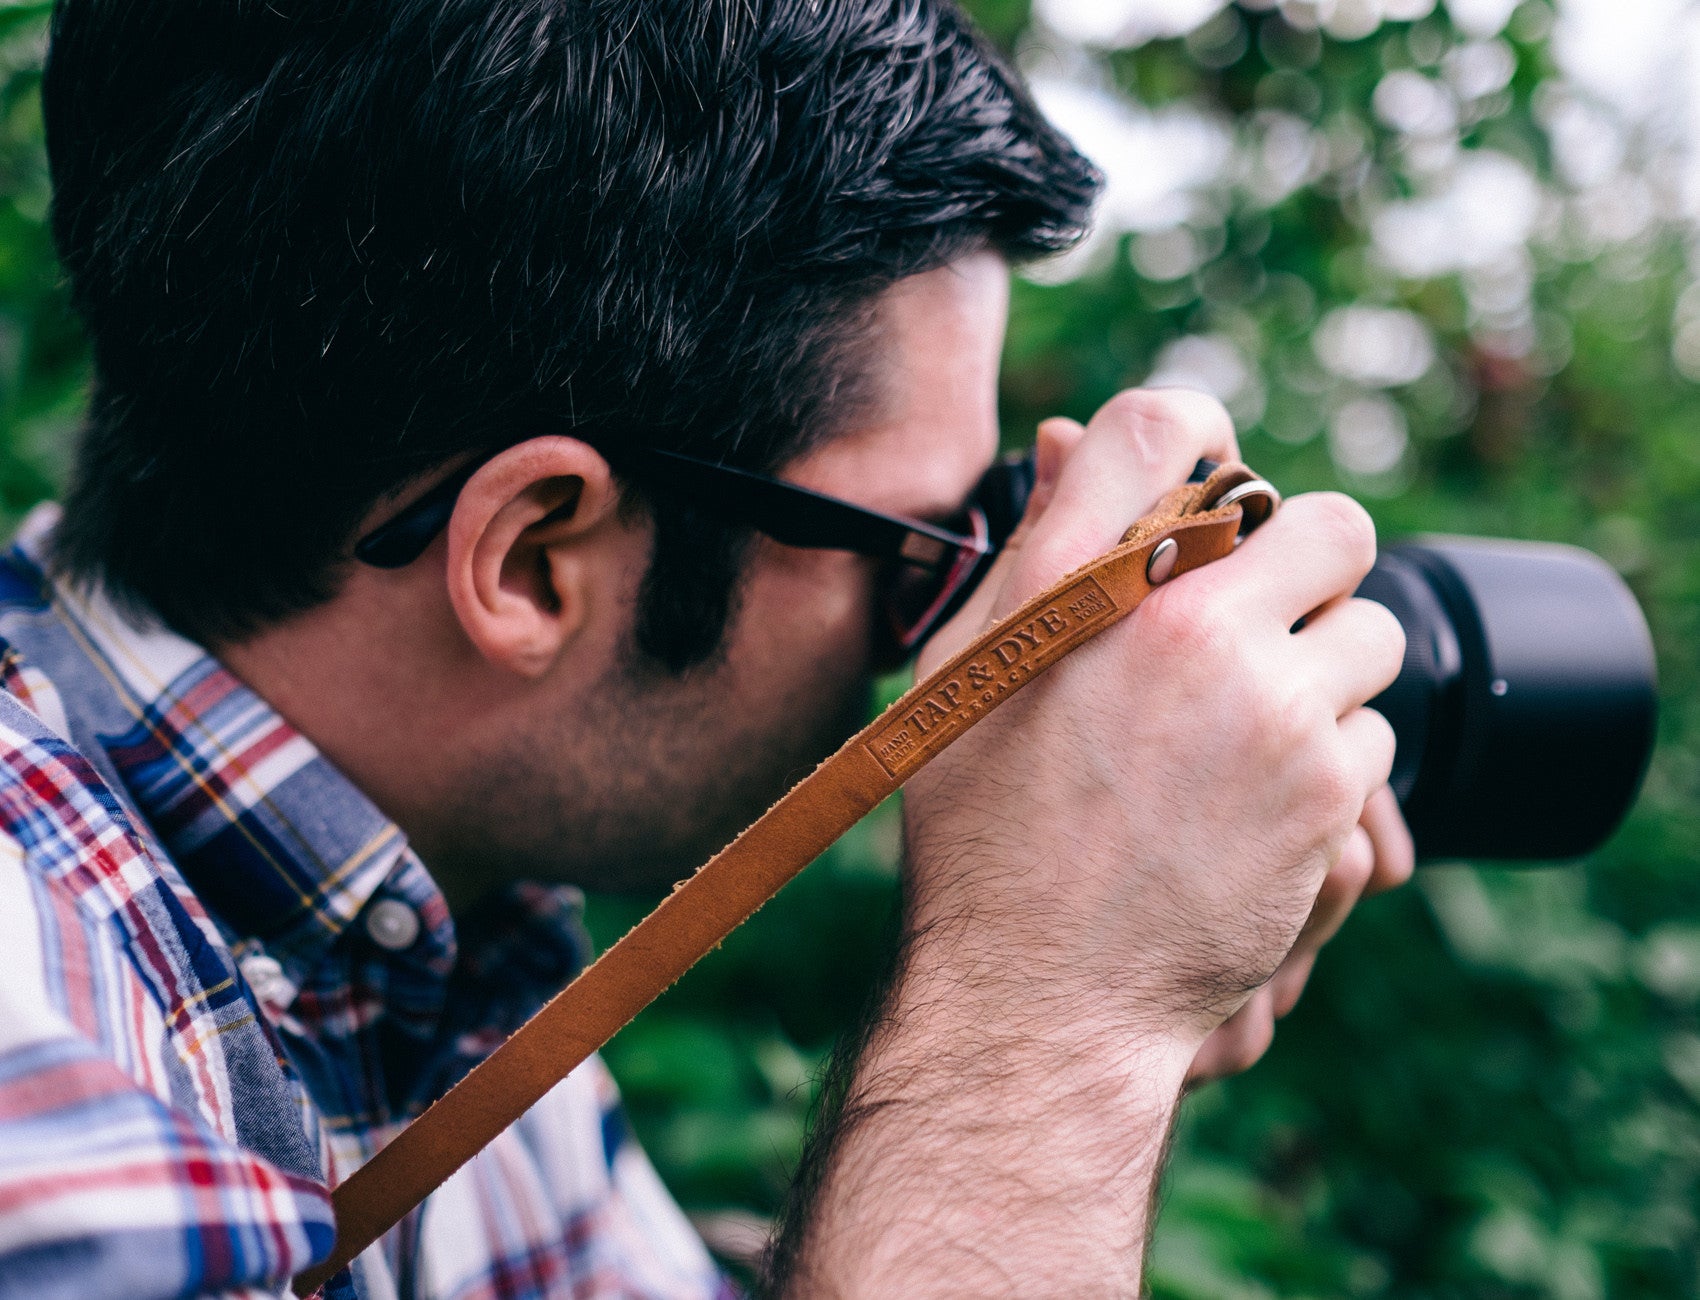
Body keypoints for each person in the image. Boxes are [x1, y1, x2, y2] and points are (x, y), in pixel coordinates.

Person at [0, 0, 1412, 1295]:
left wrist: (1113, 985)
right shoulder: (47, 1102)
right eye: (922, 551)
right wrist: (1051, 1032)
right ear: (536, 559)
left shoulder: (418, 927)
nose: (941, 626)